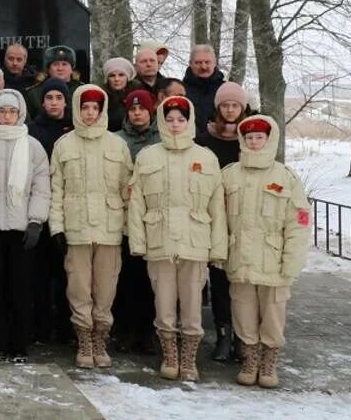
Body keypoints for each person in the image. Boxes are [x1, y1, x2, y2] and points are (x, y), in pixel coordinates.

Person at [128, 96, 227, 382]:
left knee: (193, 305)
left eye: (180, 120)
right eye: (169, 119)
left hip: (194, 243)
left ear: (189, 121)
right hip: (159, 241)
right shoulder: (148, 156)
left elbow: (217, 207)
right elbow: (136, 205)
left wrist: (217, 249)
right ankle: (170, 357)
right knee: (164, 303)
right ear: (161, 121)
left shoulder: (205, 157)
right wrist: (138, 242)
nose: (174, 125)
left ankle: (189, 359)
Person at [222, 116, 309, 388]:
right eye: (249, 138)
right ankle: (249, 360)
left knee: (272, 314)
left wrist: (292, 261)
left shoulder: (286, 177)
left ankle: (268, 363)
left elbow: (300, 222)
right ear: (242, 140)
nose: (254, 142)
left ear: (270, 140)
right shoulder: (230, 174)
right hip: (240, 259)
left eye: (260, 137)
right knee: (243, 312)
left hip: (273, 261)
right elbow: (217, 216)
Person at [49, 86, 132, 369]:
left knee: (106, 288)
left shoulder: (117, 145)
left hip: (109, 230)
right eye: (84, 108)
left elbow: (127, 191)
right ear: (77, 109)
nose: (89, 113)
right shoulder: (64, 145)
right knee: (79, 287)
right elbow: (56, 189)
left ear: (102, 111)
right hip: (77, 229)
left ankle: (100, 339)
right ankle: (84, 339)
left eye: (94, 108)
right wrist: (57, 227)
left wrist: (128, 229)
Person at [0, 89, 50, 363]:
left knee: (20, 289)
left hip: (22, 229)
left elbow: (42, 188)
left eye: (12, 112)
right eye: (3, 111)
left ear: (20, 115)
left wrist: (35, 221)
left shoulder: (33, 146)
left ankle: (19, 344)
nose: (7, 117)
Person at [196, 81, 249, 362]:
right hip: (213, 218)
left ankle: (242, 337)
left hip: (243, 220)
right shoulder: (204, 142)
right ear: (218, 108)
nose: (230, 110)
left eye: (235, 105)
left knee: (240, 281)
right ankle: (223, 334)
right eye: (225, 105)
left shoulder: (251, 140)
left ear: (243, 108)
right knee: (218, 281)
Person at [26, 78, 74, 345]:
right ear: (42, 102)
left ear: (66, 101)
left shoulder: (74, 129)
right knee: (39, 273)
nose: (54, 102)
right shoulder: (31, 130)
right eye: (49, 98)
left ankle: (65, 327)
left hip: (66, 208)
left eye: (59, 97)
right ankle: (41, 325)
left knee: (65, 272)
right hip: (37, 206)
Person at [112, 89, 159, 353]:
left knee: (150, 279)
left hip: (153, 216)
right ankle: (126, 330)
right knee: (127, 278)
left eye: (142, 109)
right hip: (125, 216)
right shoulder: (117, 140)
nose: (137, 113)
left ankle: (148, 331)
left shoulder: (162, 138)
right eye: (132, 109)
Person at [24, 45, 82, 121]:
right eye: (55, 64)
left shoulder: (82, 91)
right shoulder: (33, 94)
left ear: (72, 68)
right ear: (48, 69)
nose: (60, 68)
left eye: (64, 64)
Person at [183, 44, 226, 136]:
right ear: (190, 63)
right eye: (198, 62)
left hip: (219, 141)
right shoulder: (180, 90)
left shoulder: (226, 89)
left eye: (207, 62)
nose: (203, 67)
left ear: (215, 63)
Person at [101, 57, 137, 132]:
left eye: (121, 75)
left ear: (128, 77)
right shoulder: (102, 98)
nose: (116, 79)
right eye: (112, 75)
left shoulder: (137, 96)